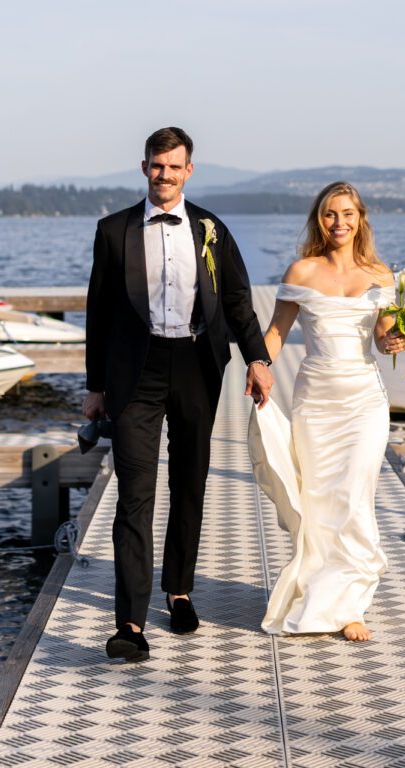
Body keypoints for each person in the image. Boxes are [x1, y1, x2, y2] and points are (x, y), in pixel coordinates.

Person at [83, 126, 272, 662]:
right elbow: (98, 312)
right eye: (156, 165)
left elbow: (237, 301)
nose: (164, 174)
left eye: (174, 166)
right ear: (144, 168)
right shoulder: (113, 230)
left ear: (189, 170)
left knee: (190, 480)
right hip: (134, 374)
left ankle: (180, 590)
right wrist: (94, 386)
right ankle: (130, 623)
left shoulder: (212, 229)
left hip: (195, 365)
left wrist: (258, 359)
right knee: (135, 493)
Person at [247, 181, 405, 642]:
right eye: (330, 214)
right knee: (319, 500)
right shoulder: (303, 270)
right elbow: (276, 331)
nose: (339, 222)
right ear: (320, 220)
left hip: (364, 400)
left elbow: (383, 336)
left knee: (355, 496)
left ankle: (352, 605)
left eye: (348, 213)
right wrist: (258, 365)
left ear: (361, 219)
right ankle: (321, 593)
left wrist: (395, 340)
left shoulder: (381, 275)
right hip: (316, 400)